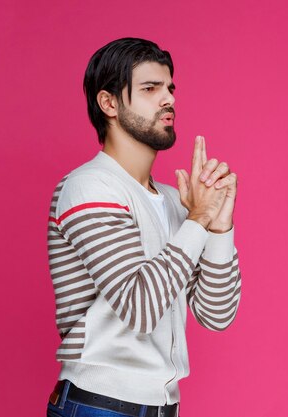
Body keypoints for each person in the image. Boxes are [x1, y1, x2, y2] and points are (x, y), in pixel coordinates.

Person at [46, 37, 241, 417]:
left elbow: (216, 315)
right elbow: (139, 309)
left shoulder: (173, 199)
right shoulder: (89, 186)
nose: (168, 99)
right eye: (150, 89)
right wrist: (198, 218)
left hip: (161, 407)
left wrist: (219, 226)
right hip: (99, 406)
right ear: (110, 104)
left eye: (170, 88)